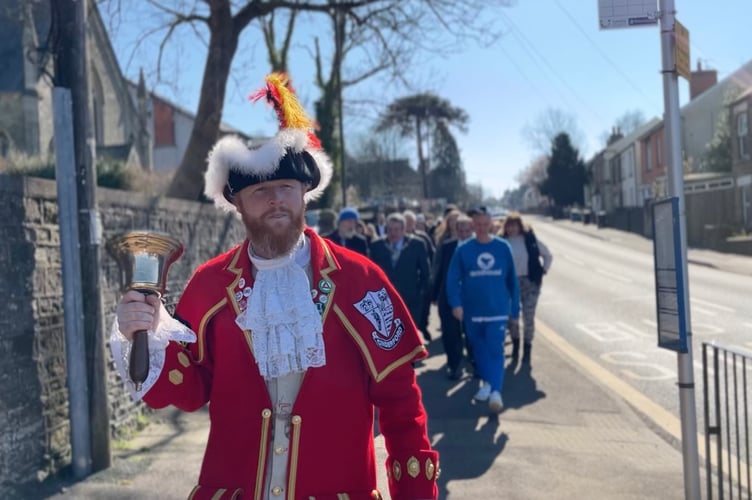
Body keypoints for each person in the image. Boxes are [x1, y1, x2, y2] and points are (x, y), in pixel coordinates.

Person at [110, 73, 439, 500]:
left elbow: (401, 405)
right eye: (260, 191)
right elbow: (189, 391)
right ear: (238, 204)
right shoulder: (210, 285)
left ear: (305, 194)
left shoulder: (360, 281)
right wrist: (142, 333)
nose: (276, 200)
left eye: (286, 187)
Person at [445, 206, 520, 413]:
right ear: (472, 225)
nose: (482, 228)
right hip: (472, 311)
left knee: (495, 349)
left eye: (486, 224)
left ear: (492, 225)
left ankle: (496, 391)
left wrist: (515, 310)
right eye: (477, 224)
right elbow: (452, 279)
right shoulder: (464, 250)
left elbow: (512, 281)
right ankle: (488, 383)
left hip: (497, 310)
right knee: (478, 350)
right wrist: (456, 304)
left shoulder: (503, 248)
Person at [500, 212, 553, 367]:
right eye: (509, 226)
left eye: (515, 226)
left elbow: (548, 255)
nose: (512, 229)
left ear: (520, 226)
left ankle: (527, 350)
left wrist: (544, 270)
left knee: (528, 317)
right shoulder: (502, 242)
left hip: (530, 282)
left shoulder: (530, 239)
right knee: (512, 317)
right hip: (510, 284)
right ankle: (516, 346)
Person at [369, 213, 431, 343]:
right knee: (390, 336)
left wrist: (422, 294)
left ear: (403, 229)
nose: (393, 233)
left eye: (397, 229)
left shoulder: (417, 244)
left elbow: (425, 272)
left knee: (408, 334)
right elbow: (370, 273)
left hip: (411, 299)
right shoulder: (377, 246)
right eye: (390, 229)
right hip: (385, 300)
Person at [431, 215, 474, 380]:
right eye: (460, 229)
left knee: (472, 333)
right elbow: (439, 271)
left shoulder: (478, 246)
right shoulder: (447, 246)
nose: (463, 233)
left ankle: (474, 364)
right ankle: (454, 366)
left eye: (466, 230)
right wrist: (434, 294)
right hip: (448, 297)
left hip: (471, 298)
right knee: (450, 334)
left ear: (472, 230)